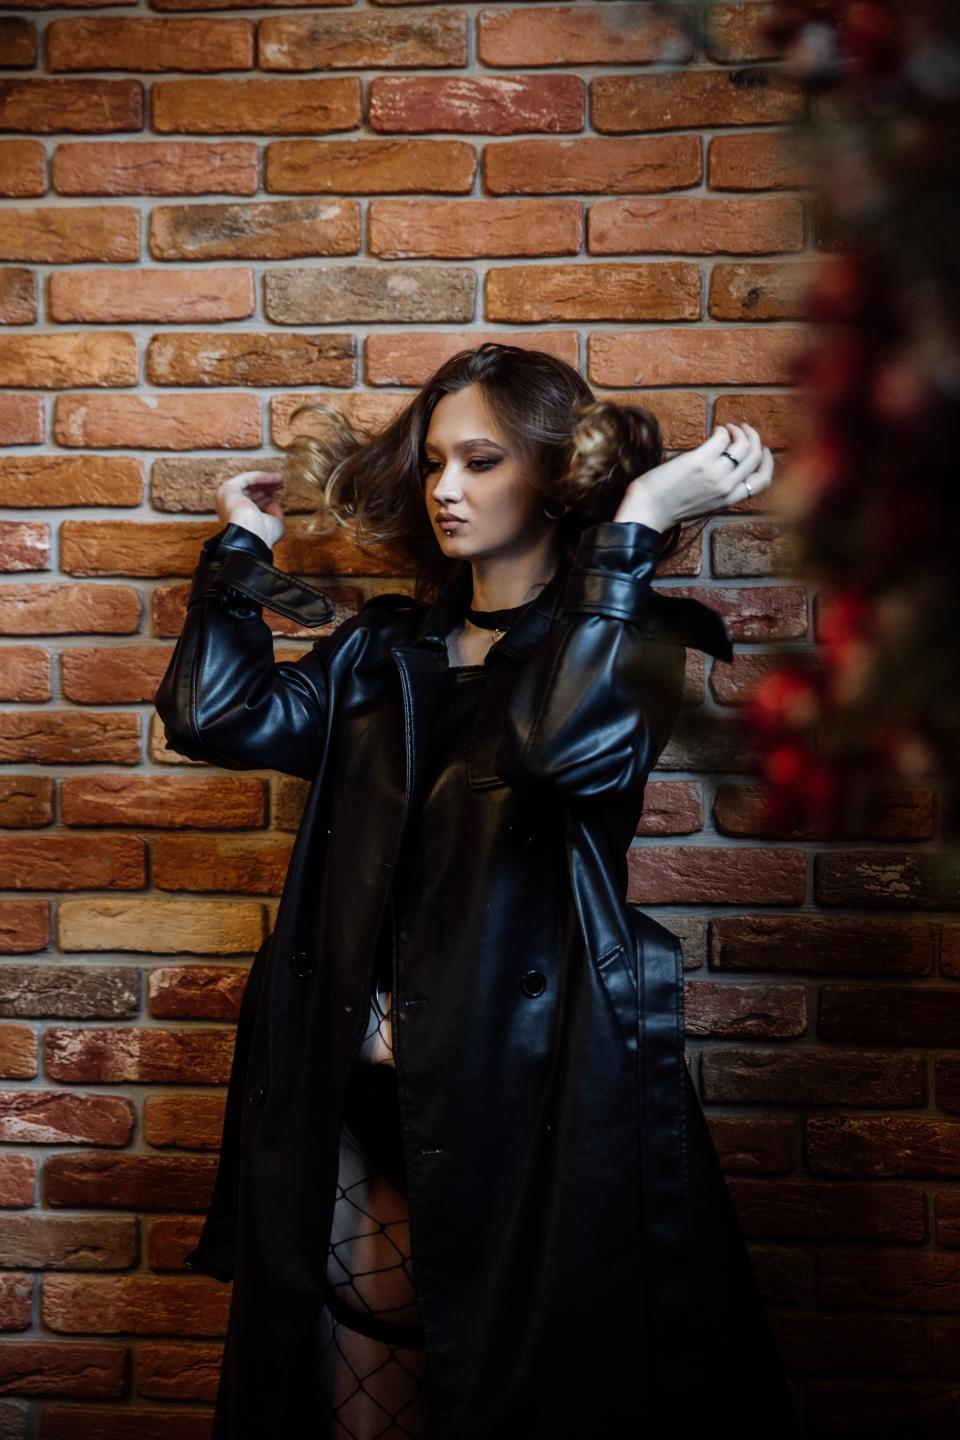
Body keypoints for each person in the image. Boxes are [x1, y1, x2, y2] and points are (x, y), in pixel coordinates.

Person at [155, 343, 800, 1439]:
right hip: (347, 1090)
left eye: (482, 461)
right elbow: (215, 717)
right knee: (352, 1404)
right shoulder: (379, 649)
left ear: (551, 476)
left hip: (532, 1101)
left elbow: (554, 752)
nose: (445, 489)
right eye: (434, 463)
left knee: (522, 1401)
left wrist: (636, 526)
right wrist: (242, 550)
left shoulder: (624, 641)